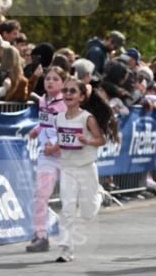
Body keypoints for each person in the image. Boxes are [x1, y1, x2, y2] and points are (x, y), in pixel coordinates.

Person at [43, 78, 117, 263]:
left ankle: (99, 194)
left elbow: (101, 140)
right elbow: (63, 140)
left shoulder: (87, 118)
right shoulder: (58, 118)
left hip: (86, 168)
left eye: (73, 91)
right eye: (65, 90)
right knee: (67, 208)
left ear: (81, 97)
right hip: (67, 168)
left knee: (88, 213)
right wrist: (52, 149)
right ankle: (66, 250)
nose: (67, 94)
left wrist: (88, 141)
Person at [25, 67, 68, 253]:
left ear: (63, 83)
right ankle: (41, 236)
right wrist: (37, 130)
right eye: (48, 78)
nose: (50, 81)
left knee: (70, 198)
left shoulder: (66, 103)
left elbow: (69, 130)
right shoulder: (43, 100)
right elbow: (46, 123)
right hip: (47, 156)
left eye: (55, 79)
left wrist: (56, 146)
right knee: (40, 196)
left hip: (66, 156)